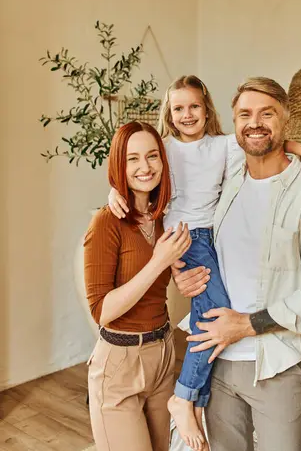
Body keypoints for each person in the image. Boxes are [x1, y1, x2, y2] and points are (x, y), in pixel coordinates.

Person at [109, 75, 301, 450]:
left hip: (211, 233)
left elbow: (261, 143)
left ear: (206, 109)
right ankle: (185, 396)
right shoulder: (163, 146)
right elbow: (134, 165)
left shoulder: (224, 145)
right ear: (169, 113)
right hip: (182, 235)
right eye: (179, 108)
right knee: (215, 315)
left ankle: (191, 395)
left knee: (211, 309)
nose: (187, 114)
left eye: (194, 106)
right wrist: (114, 189)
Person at [172, 76, 301, 451]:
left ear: (286, 122)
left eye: (266, 113)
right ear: (234, 123)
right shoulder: (227, 186)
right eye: (244, 114)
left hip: (277, 367)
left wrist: (248, 325)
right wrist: (182, 276)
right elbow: (202, 246)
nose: (255, 122)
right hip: (216, 364)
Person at [84, 121, 191, 451]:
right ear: (119, 163)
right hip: (120, 362)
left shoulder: (166, 218)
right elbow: (102, 311)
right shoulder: (106, 221)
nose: (145, 167)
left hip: (162, 353)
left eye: (152, 156)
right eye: (132, 159)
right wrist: (159, 260)